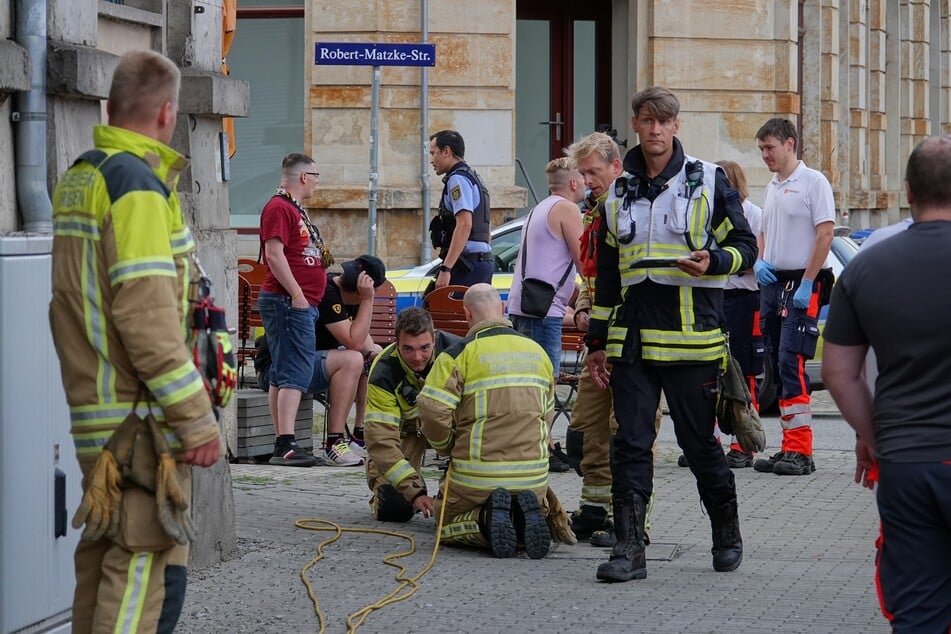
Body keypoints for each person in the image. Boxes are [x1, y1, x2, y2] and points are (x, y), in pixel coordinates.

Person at [49, 49, 222, 633]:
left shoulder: (82, 177)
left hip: (99, 413)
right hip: (141, 422)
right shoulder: (137, 188)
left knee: (101, 566)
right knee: (143, 572)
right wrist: (197, 421)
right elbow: (148, 320)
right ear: (167, 112)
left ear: (109, 106)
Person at [586, 87, 756, 582]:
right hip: (633, 342)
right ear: (635, 125)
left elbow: (747, 246)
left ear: (676, 125)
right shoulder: (616, 192)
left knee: (698, 444)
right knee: (630, 444)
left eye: (664, 120)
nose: (655, 128)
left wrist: (716, 260)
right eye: (646, 120)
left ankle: (726, 531)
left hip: (692, 341)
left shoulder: (708, 181)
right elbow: (611, 277)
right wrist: (597, 342)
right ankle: (629, 549)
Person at [821, 135, 951, 633]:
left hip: (906, 461)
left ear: (908, 192)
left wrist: (876, 435)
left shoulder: (869, 266)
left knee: (917, 609)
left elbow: (838, 373)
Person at [417, 284, 565, 559]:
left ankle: (485, 520)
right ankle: (521, 519)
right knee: (526, 496)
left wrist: (447, 446)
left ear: (466, 314)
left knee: (443, 520)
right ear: (504, 309)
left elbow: (431, 410)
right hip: (533, 479)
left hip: (476, 479)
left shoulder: (457, 355)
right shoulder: (539, 354)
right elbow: (546, 419)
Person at [752, 118, 835, 476]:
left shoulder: (812, 182)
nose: (765, 155)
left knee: (791, 362)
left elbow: (825, 233)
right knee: (773, 361)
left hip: (801, 284)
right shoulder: (772, 186)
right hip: (773, 283)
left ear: (790, 144)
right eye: (761, 149)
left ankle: (801, 450)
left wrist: (808, 281)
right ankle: (788, 444)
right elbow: (763, 232)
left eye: (769, 148)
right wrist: (759, 261)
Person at [257, 255, 386, 466]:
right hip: (276, 370)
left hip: (304, 364)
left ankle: (358, 436)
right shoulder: (327, 292)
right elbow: (354, 342)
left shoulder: (344, 289)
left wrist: (373, 353)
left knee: (371, 354)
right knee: (353, 358)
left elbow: (363, 340)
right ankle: (334, 443)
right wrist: (368, 300)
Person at [507, 157, 585, 473]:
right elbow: (584, 261)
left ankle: (541, 443)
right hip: (544, 311)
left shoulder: (540, 208)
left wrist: (575, 295)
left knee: (530, 379)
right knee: (544, 381)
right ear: (574, 183)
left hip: (526, 304)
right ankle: (542, 446)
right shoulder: (567, 210)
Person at [258, 152, 333, 467]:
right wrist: (297, 293)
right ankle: (286, 443)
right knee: (295, 371)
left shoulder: (293, 208)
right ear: (304, 177)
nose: (317, 182)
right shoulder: (279, 207)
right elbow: (274, 254)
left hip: (296, 301)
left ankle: (283, 441)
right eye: (315, 176)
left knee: (283, 372)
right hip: (288, 302)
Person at [363, 307, 461, 521]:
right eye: (408, 349)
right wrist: (414, 491)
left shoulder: (458, 353)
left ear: (434, 339)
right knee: (395, 507)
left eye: (424, 348)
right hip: (407, 434)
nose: (417, 357)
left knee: (463, 501)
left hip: (451, 430)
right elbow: (381, 440)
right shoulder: (383, 371)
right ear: (396, 343)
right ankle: (406, 489)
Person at [715, 160, 764, 468]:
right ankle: (710, 440)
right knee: (711, 370)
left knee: (742, 370)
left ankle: (744, 442)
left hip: (744, 296)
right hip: (717, 295)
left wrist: (722, 260)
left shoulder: (753, 213)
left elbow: (756, 258)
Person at [428, 130, 493, 288]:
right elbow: (487, 227)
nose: (431, 160)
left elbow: (464, 224)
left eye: (433, 153)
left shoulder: (457, 179)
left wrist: (446, 268)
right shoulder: (474, 177)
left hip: (466, 265)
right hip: (481, 262)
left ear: (446, 151)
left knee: (441, 310)